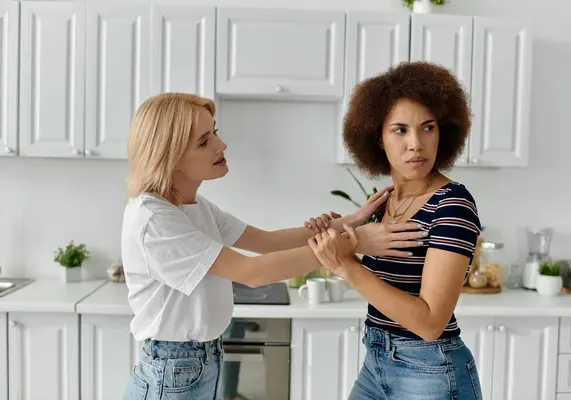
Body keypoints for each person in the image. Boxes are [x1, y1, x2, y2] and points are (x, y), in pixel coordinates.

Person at [120, 92, 427, 400]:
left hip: (198, 362)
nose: (221, 144)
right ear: (170, 157)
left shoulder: (194, 206)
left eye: (214, 132)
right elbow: (251, 272)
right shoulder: (154, 218)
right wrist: (352, 244)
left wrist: (352, 221)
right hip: (172, 369)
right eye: (204, 142)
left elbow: (268, 242)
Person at [306, 61, 484, 399]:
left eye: (427, 128)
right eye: (400, 130)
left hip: (430, 371)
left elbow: (430, 324)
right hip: (376, 359)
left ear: (443, 132)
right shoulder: (385, 202)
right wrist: (338, 230)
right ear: (379, 138)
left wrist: (346, 266)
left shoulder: (453, 203)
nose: (416, 143)